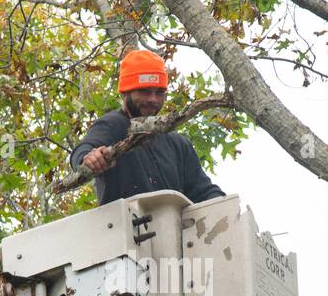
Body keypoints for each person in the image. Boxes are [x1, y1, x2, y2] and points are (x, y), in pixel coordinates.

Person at [70, 49, 225, 205]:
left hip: (172, 226)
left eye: (159, 92)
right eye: (144, 91)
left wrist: (221, 204)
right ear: (125, 92)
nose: (153, 99)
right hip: (123, 226)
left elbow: (203, 191)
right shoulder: (113, 125)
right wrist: (89, 159)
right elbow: (83, 151)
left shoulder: (177, 143)